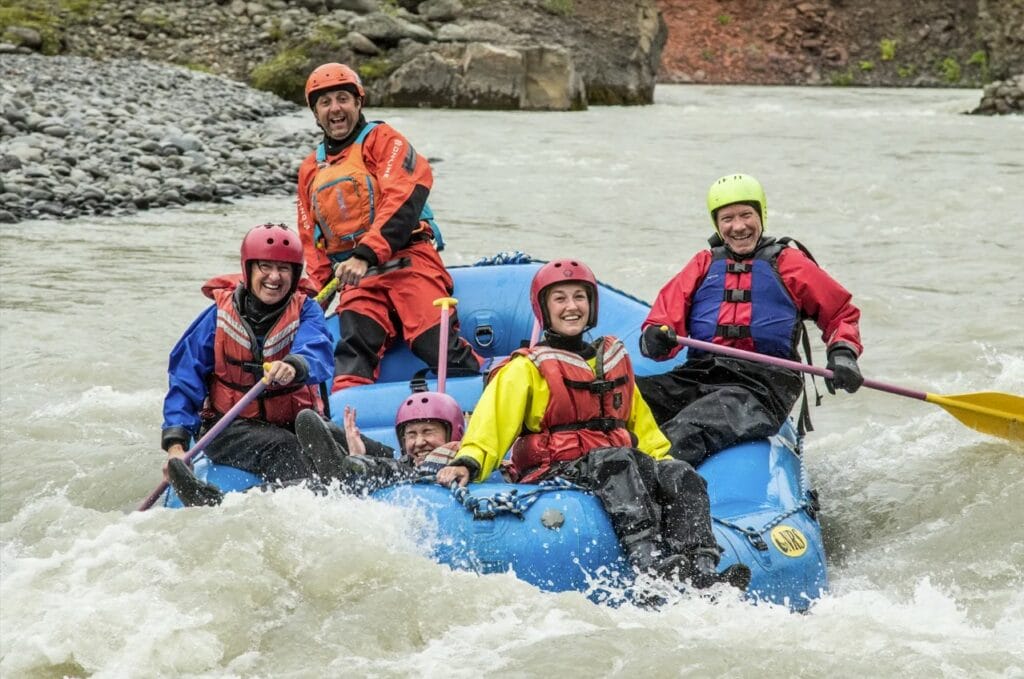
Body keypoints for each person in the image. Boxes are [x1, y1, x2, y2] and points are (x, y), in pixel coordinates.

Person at [434, 259, 751, 591]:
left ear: (592, 305)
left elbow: (641, 427)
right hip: (557, 468)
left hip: (613, 463)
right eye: (560, 299)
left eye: (579, 297)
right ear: (544, 309)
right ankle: (649, 563)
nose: (571, 307)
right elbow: (491, 425)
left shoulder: (614, 362)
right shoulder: (526, 369)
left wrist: (664, 464)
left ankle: (701, 566)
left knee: (680, 473)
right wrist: (469, 461)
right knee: (618, 460)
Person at [637, 173, 864, 465]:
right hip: (701, 375)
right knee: (628, 397)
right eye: (727, 218)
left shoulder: (789, 263)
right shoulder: (703, 264)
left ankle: (653, 487)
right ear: (717, 225)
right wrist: (655, 337)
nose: (739, 226)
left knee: (685, 430)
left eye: (746, 215)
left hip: (762, 386)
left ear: (761, 215)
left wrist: (843, 353)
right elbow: (662, 321)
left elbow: (841, 314)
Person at [296, 62, 480, 392]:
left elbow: (404, 195)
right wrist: (320, 291)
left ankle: (483, 393)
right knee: (352, 351)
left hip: (409, 261)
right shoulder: (311, 169)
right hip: (358, 279)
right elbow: (311, 237)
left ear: (358, 103)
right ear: (315, 113)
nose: (335, 109)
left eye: (343, 99)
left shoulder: (384, 140)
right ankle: (345, 428)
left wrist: (366, 254)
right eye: (325, 103)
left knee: (434, 345)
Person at [161, 223, 341, 507]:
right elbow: (185, 380)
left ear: (295, 274)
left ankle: (385, 468)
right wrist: (176, 447)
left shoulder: (307, 310)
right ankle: (223, 504)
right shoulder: (217, 316)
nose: (274, 277)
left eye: (284, 269)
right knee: (285, 449)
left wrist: (294, 365)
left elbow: (317, 349)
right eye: (265, 267)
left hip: (299, 423)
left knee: (340, 443)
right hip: (231, 427)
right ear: (249, 269)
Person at [291, 390, 465, 493]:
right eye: (411, 435)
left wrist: (359, 459)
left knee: (379, 467)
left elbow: (392, 470)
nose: (418, 442)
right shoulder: (407, 459)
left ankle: (347, 472)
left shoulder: (461, 458)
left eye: (427, 432)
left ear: (453, 432)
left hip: (413, 476)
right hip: (401, 466)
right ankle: (345, 470)